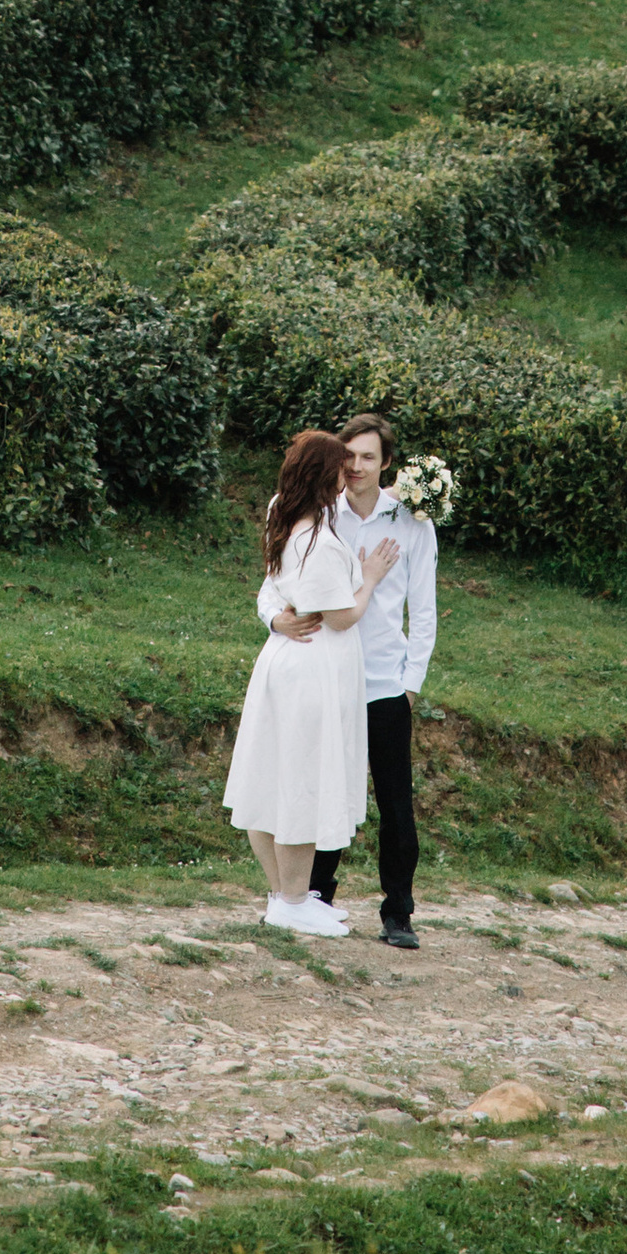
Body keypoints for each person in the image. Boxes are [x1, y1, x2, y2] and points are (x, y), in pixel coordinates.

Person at [262, 405, 435, 949]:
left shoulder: (411, 521)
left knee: (394, 801)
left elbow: (424, 610)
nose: (356, 466)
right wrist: (275, 618)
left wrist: (412, 684)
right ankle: (313, 896)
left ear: (387, 465)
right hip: (325, 676)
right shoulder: (316, 509)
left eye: (368, 457)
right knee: (323, 787)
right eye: (350, 456)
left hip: (383, 680)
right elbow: (272, 585)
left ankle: (398, 913)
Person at [223, 429, 400, 936]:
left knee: (273, 776)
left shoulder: (285, 514)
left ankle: (284, 895)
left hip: (285, 661)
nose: (351, 475)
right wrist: (369, 574)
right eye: (342, 469)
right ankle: (294, 898)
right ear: (325, 477)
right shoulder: (318, 542)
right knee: (298, 780)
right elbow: (343, 617)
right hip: (312, 667)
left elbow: (277, 585)